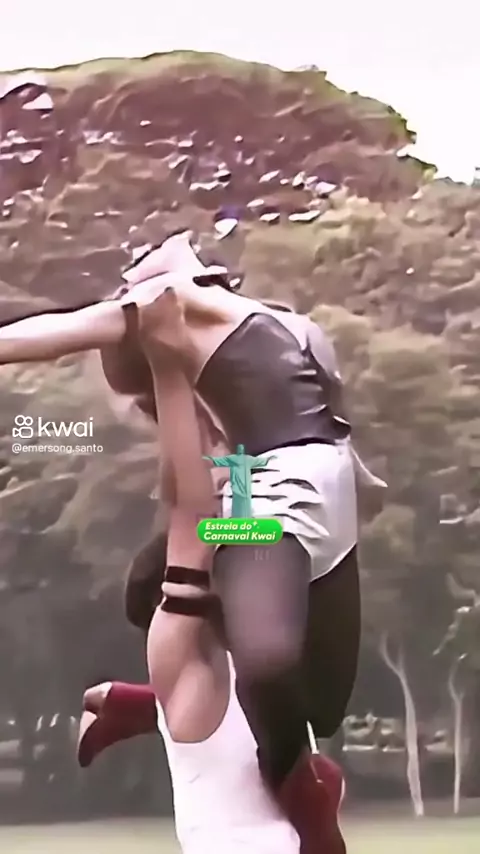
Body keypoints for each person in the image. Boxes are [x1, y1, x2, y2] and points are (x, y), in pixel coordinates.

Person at [0, 230, 383, 854]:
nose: (131, 270)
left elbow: (297, 437)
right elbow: (49, 334)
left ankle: (139, 705)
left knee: (317, 698)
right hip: (263, 517)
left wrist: (354, 483)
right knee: (222, 587)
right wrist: (168, 370)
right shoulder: (165, 304)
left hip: (302, 507)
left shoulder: (277, 322)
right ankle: (286, 781)